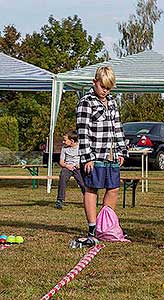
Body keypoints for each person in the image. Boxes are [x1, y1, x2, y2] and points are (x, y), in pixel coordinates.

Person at [76, 66, 128, 240]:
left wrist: (122, 150)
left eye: (108, 88)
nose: (105, 91)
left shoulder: (113, 102)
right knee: (91, 189)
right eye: (102, 86)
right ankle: (92, 227)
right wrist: (87, 157)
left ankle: (106, 226)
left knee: (113, 188)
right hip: (95, 155)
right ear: (94, 82)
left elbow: (118, 127)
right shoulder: (86, 102)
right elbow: (82, 132)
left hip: (112, 154)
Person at [55, 130, 86, 209]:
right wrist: (66, 165)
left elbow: (85, 159)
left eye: (65, 140)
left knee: (83, 183)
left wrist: (80, 164)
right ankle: (60, 200)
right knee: (62, 177)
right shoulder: (64, 148)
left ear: (72, 141)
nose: (63, 142)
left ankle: (87, 199)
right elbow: (61, 162)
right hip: (67, 167)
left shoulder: (81, 147)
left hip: (78, 168)